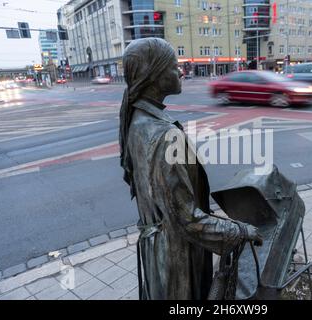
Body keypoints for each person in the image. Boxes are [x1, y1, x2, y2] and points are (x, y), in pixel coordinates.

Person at [119, 38, 262, 300]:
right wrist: (240, 232)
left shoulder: (137, 121)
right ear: (155, 76)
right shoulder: (162, 135)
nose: (181, 71)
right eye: (174, 67)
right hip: (176, 258)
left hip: (159, 248)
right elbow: (186, 220)